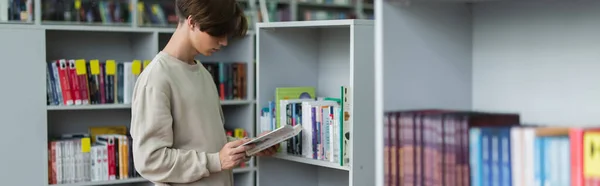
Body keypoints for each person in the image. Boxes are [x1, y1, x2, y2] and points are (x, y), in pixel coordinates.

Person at [129, 0, 278, 185]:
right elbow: (149, 160)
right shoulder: (156, 78)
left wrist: (247, 147)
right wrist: (215, 161)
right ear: (192, 22)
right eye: (217, 33)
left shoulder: (202, 73)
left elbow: (205, 141)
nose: (223, 41)